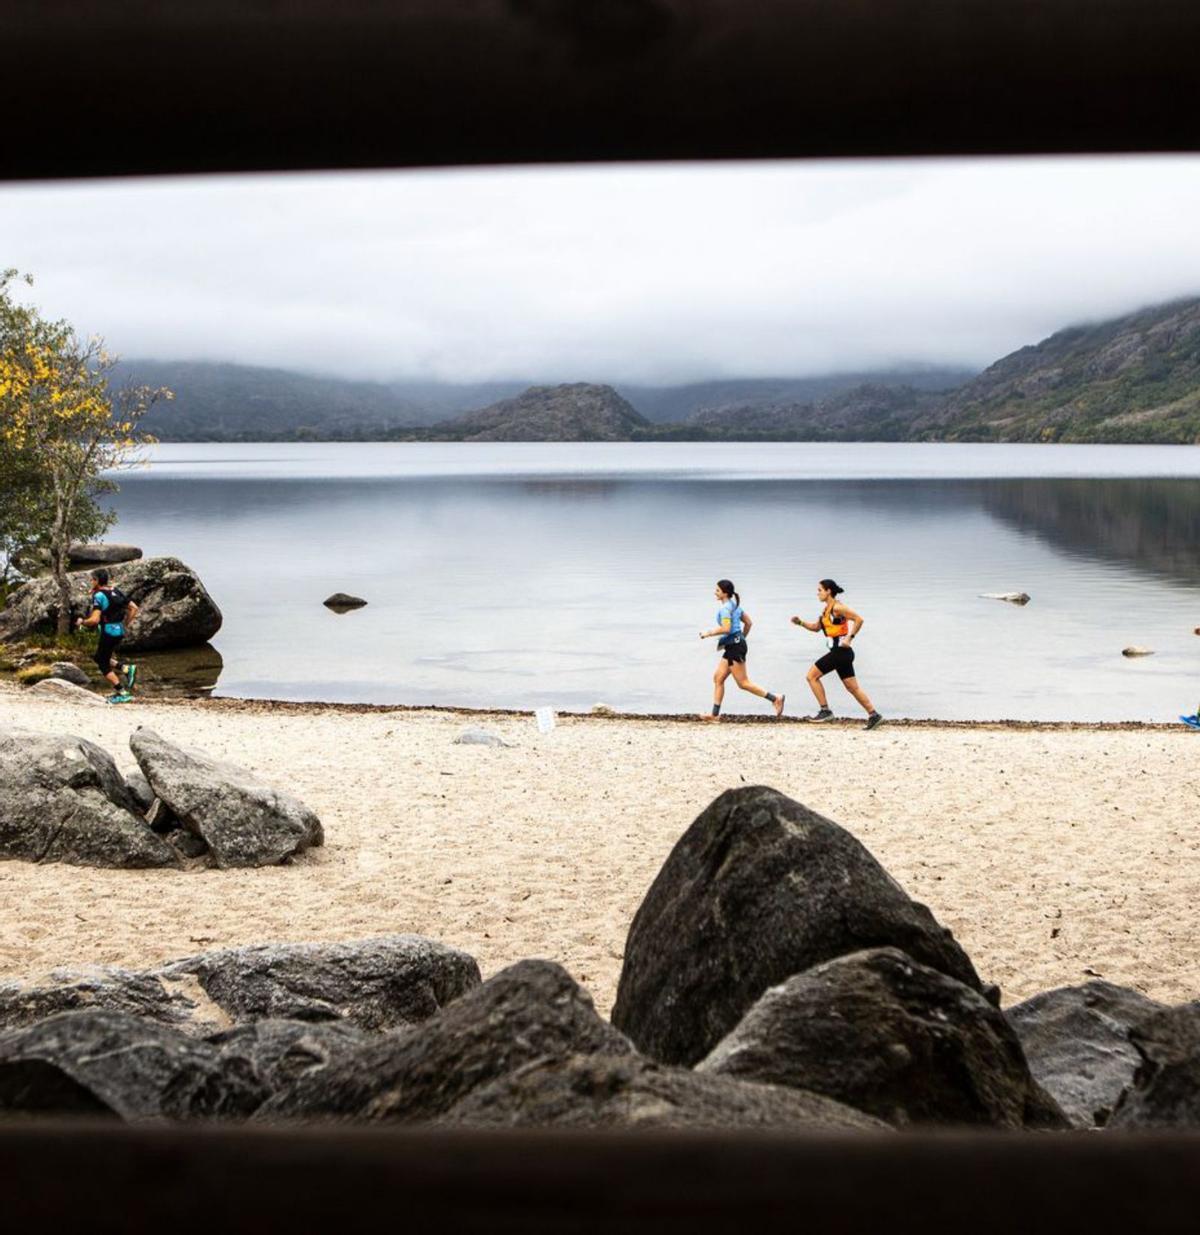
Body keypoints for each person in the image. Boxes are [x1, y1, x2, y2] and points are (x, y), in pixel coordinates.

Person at [791, 578, 883, 730]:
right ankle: (874, 715)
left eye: (820, 590)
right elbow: (816, 627)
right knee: (853, 688)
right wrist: (800, 623)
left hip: (841, 652)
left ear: (828, 591)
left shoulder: (838, 608)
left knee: (811, 676)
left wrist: (850, 638)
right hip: (842, 654)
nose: (817, 593)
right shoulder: (826, 610)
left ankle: (825, 711)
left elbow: (859, 619)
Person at [699, 578, 785, 721]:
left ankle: (775, 698)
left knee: (743, 683)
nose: (715, 592)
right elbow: (749, 623)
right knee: (718, 678)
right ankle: (714, 715)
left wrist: (708, 633)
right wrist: (741, 638)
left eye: (717, 590)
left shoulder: (725, 608)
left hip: (735, 647)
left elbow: (726, 629)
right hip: (735, 645)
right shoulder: (735, 605)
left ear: (725, 593)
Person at [76, 568, 139, 702]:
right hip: (119, 630)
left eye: (92, 579)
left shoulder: (98, 596)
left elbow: (94, 620)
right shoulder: (114, 590)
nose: (90, 582)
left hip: (108, 632)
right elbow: (134, 608)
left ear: (97, 581)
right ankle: (126, 668)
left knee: (101, 662)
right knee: (102, 656)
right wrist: (126, 623)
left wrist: (82, 622)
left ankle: (122, 693)